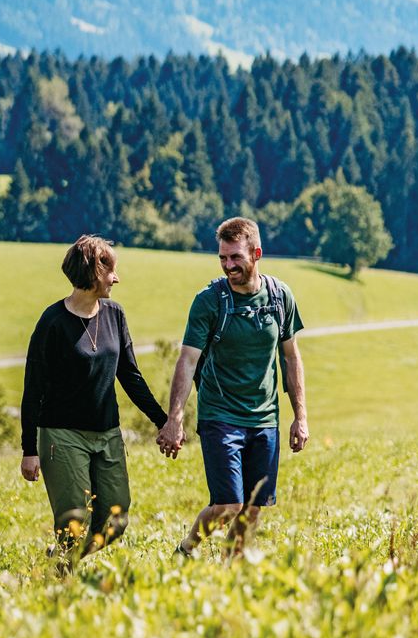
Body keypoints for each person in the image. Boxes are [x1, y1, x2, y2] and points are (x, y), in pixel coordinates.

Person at [158, 215, 308, 556]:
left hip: (265, 418)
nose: (228, 265)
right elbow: (187, 360)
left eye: (235, 257)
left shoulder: (279, 296)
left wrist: (300, 416)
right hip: (220, 415)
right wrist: (175, 417)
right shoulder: (210, 301)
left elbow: (291, 357)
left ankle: (231, 569)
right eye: (223, 258)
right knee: (228, 506)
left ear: (256, 253)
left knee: (253, 509)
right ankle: (187, 548)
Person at [20, 234, 172, 566]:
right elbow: (32, 390)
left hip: (107, 435)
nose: (116, 278)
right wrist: (29, 450)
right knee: (74, 523)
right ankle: (62, 578)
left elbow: (130, 376)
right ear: (93, 272)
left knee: (115, 521)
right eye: (111, 272)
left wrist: (164, 421)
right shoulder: (52, 323)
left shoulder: (115, 315)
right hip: (62, 436)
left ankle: (62, 562)